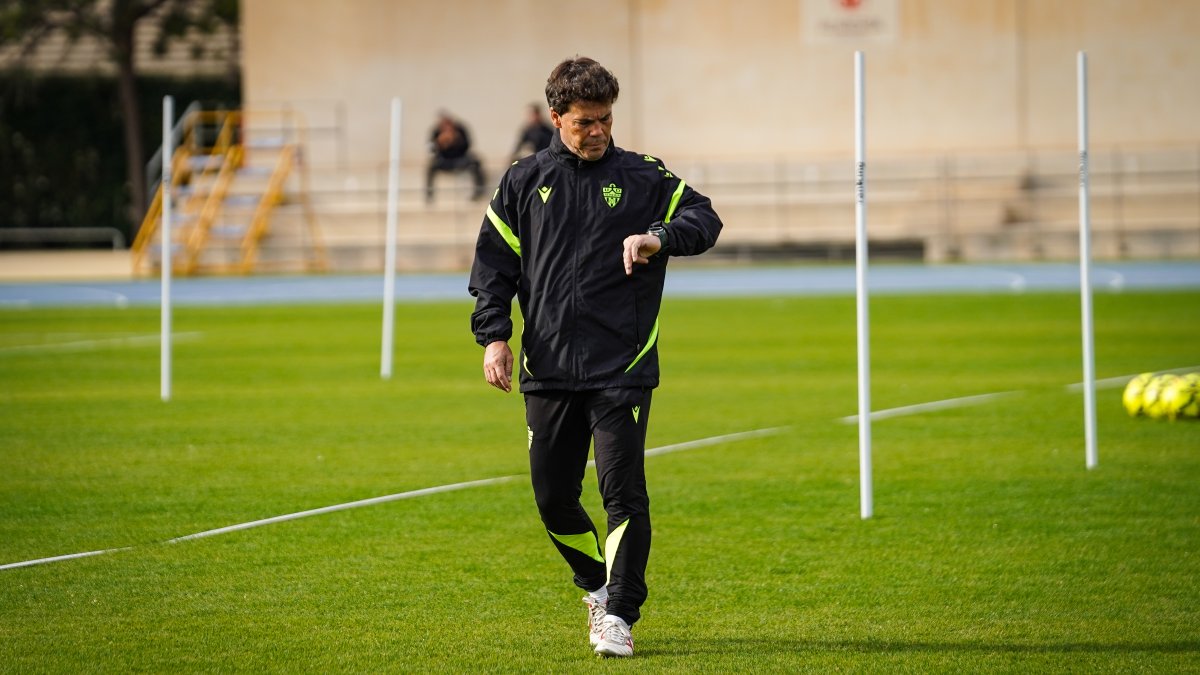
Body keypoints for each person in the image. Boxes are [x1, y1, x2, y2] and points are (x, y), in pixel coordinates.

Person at [468, 57, 722, 658]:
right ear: (557, 118)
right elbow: (493, 266)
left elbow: (704, 217)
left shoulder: (641, 175)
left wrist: (659, 236)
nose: (599, 131)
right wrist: (495, 337)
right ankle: (596, 586)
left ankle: (620, 615)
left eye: (606, 119)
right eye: (585, 122)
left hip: (622, 368)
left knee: (622, 493)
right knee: (554, 497)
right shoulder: (523, 181)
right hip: (548, 369)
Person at [426, 111, 485, 203]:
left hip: (460, 158)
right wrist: (440, 143)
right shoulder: (436, 132)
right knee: (431, 167)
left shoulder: (460, 130)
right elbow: (431, 150)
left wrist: (457, 140)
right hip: (444, 160)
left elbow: (468, 145)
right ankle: (429, 194)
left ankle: (479, 192)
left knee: (475, 163)